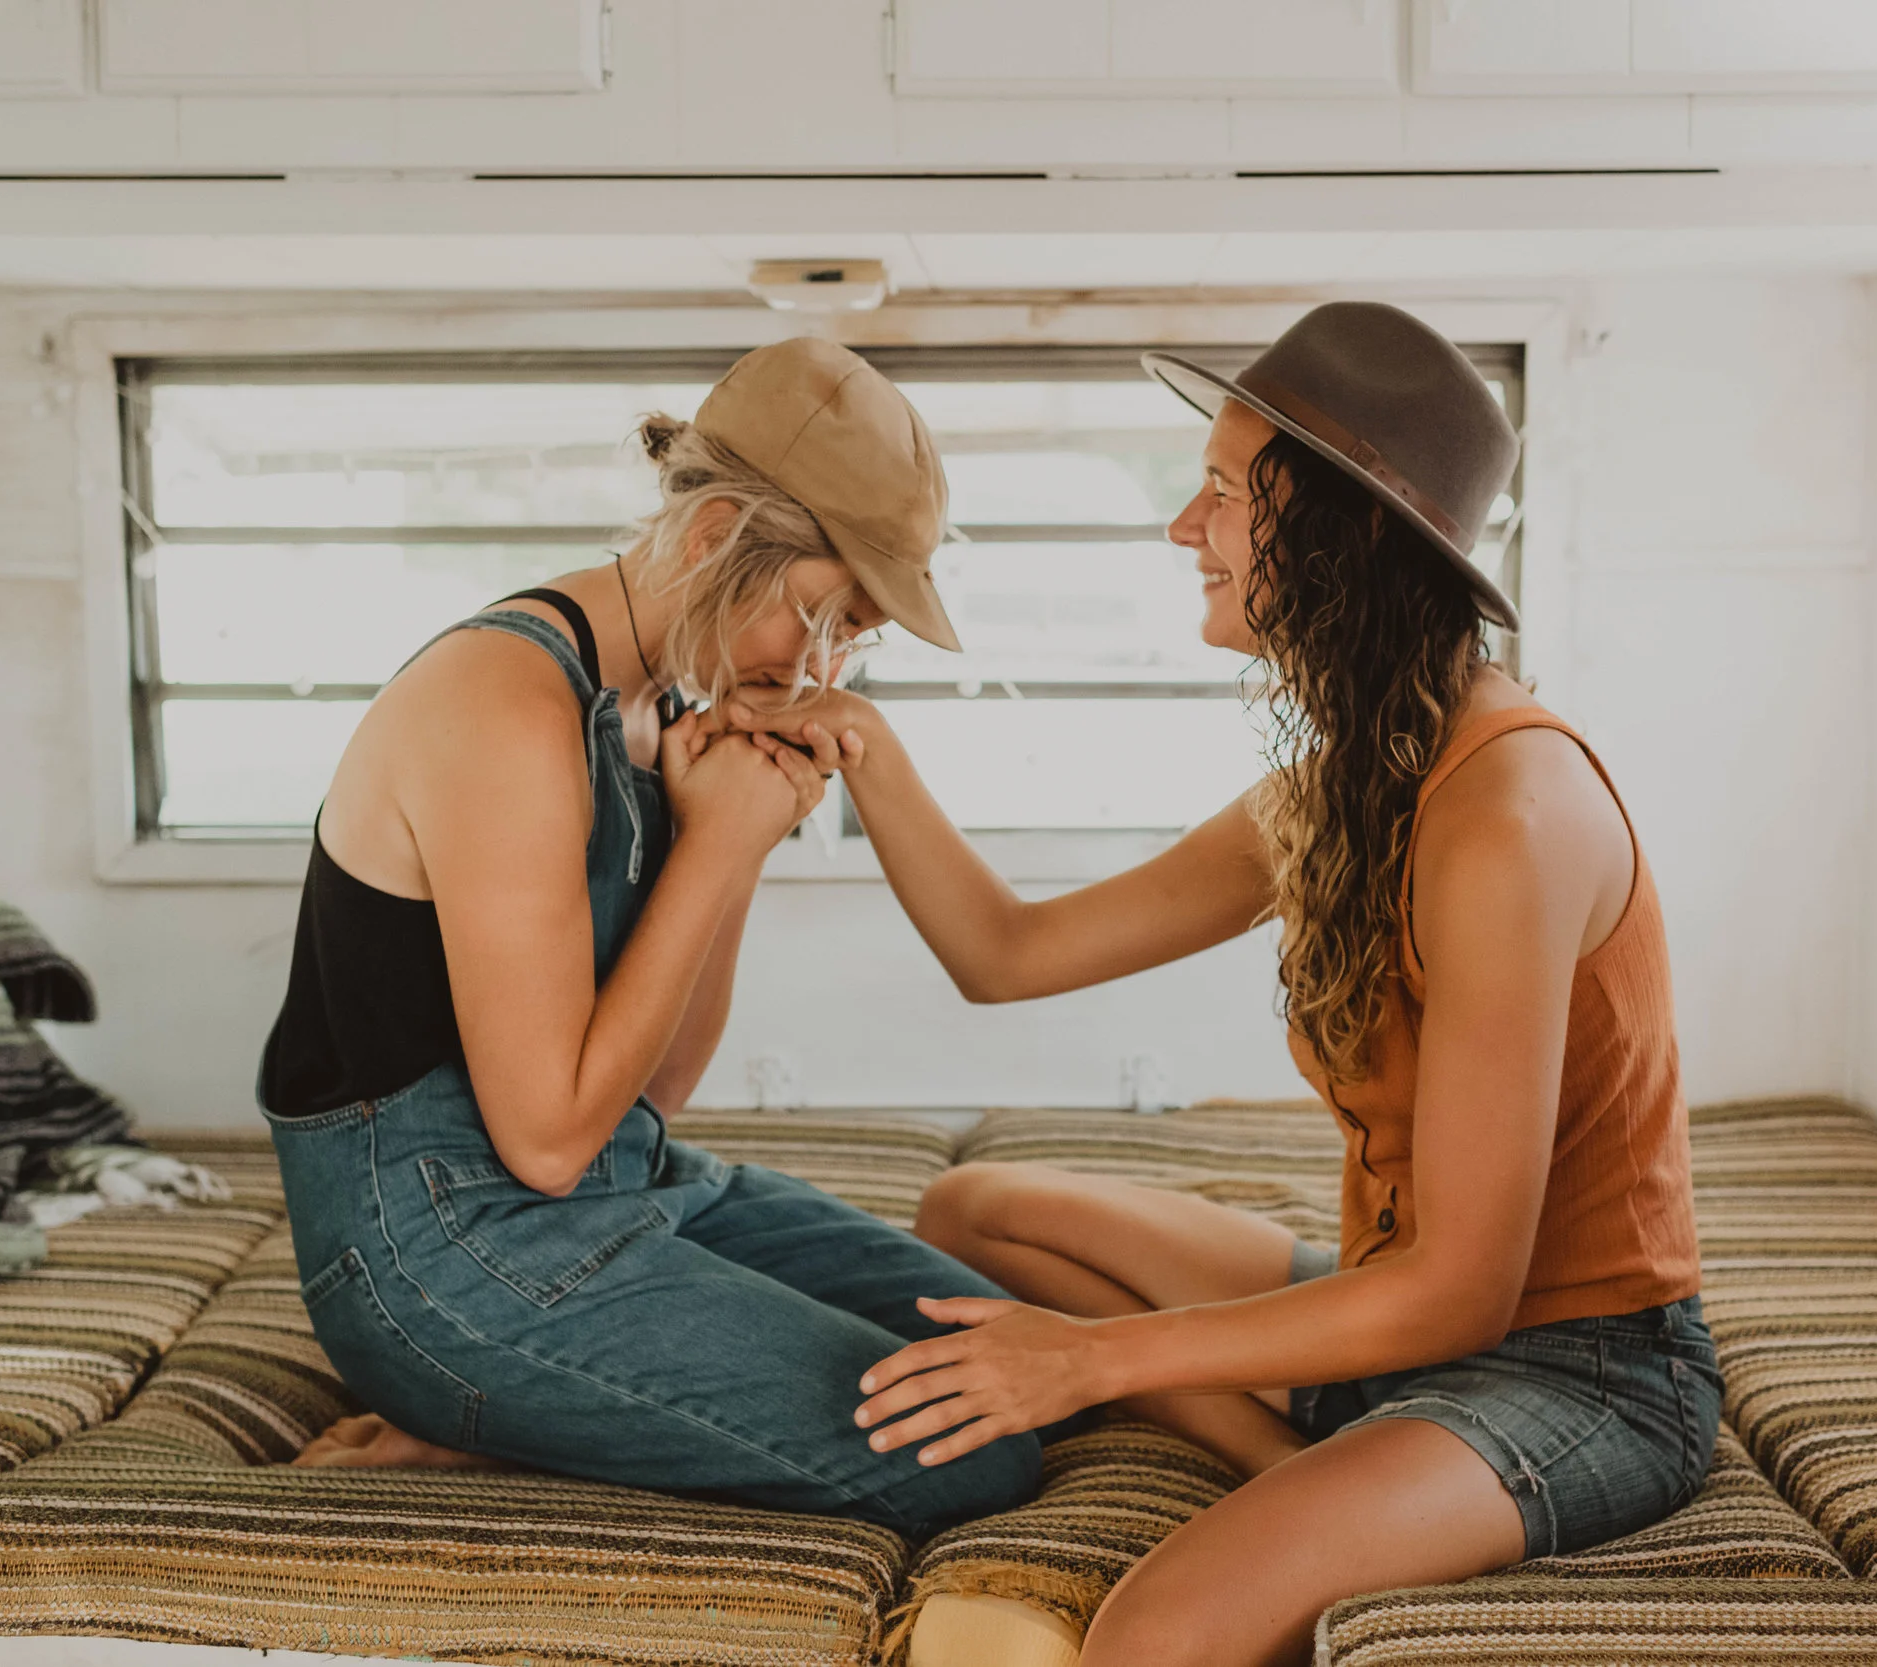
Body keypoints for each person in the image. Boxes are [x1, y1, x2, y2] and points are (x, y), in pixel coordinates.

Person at [726, 303, 1719, 1666]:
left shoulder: (1510, 817)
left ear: (1344, 536)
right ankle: (1294, 1467)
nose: (1182, 528)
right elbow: (1008, 953)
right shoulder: (1351, 778)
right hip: (1395, 1308)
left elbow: (1465, 1295)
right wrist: (864, 746)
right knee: (974, 1208)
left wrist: (1089, 1359)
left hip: (1576, 1365)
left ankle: (1336, 1480)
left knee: (1148, 1635)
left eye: (1223, 494)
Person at [255, 337, 1049, 1541]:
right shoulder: (503, 706)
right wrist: (718, 845)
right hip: (439, 1251)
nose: (827, 666)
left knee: (1000, 1350)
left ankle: (547, 1410)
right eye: (826, 614)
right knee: (971, 1452)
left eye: (857, 636)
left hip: (622, 1180)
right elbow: (548, 1141)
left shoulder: (660, 698)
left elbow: (655, 1087)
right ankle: (485, 1419)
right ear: (715, 533)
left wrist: (735, 839)